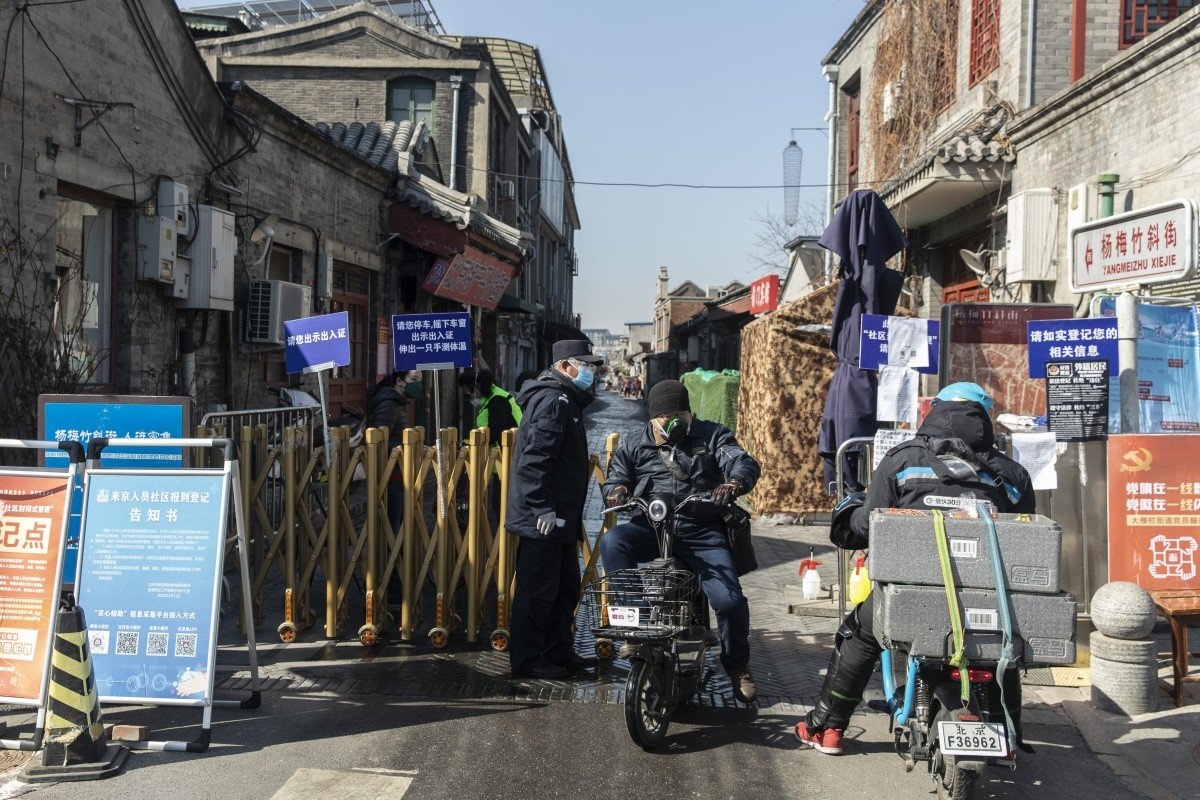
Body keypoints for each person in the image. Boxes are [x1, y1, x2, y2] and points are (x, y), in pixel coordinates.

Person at [794, 382, 1036, 755]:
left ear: (935, 410)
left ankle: (828, 728)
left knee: (858, 634)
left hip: (907, 596)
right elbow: (1025, 538)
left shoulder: (902, 460)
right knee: (1002, 646)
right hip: (987, 602)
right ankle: (1009, 730)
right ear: (984, 417)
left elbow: (866, 525)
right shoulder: (1012, 474)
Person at [600, 379, 762, 703]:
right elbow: (615, 479)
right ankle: (638, 626)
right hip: (652, 527)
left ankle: (737, 665)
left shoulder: (713, 435)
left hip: (702, 531)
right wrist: (617, 492)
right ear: (652, 418)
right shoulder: (633, 445)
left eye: (681, 413)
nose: (675, 421)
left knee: (730, 601)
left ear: (689, 412)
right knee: (613, 541)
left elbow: (742, 462)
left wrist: (733, 483)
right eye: (667, 416)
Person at [506, 340, 604, 679]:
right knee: (538, 592)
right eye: (586, 366)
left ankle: (557, 650)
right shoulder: (553, 400)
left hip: (562, 517)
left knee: (564, 588)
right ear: (566, 366)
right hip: (543, 520)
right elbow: (534, 460)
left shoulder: (569, 400)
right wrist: (542, 507)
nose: (592, 373)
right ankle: (529, 659)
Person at [365, 372, 408, 531]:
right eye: (414, 379)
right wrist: (405, 449)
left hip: (398, 471)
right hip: (391, 474)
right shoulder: (389, 404)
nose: (418, 385)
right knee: (392, 527)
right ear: (399, 381)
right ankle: (390, 554)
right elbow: (380, 439)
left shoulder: (396, 403)